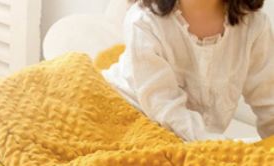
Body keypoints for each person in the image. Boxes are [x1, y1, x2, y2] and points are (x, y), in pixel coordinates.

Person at [103, 0, 274, 142]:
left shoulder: (255, 26)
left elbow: (268, 101)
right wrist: (218, 145)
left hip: (195, 140)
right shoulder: (143, 20)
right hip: (130, 115)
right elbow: (164, 106)